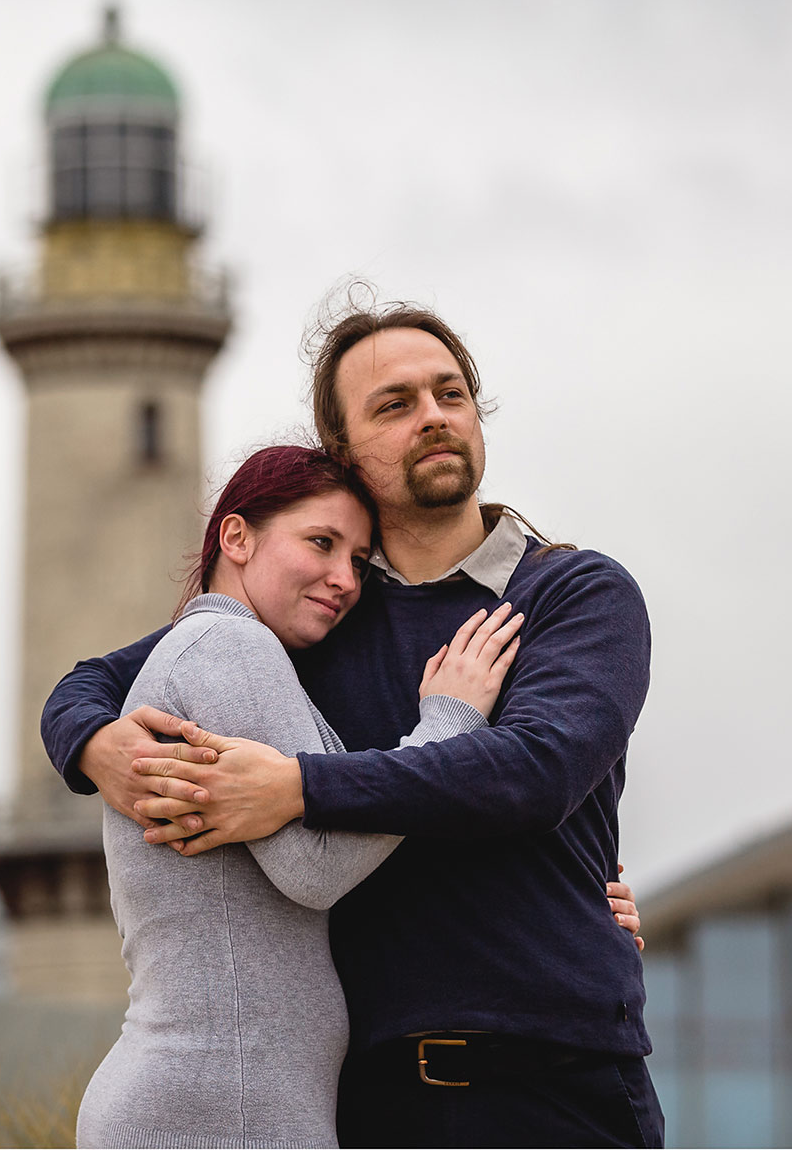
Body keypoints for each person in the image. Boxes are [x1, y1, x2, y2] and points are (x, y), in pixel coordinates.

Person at [45, 297, 662, 1148]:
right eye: (395, 404)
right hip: (366, 1101)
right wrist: (95, 744)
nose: (434, 417)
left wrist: (298, 788)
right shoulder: (319, 613)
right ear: (343, 455)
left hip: (557, 1084)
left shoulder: (574, 593)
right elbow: (101, 677)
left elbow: (536, 771)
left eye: (451, 394)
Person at [76, 444, 526, 1147]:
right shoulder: (231, 649)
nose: (344, 577)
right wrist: (446, 723)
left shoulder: (233, 650)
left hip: (231, 1091)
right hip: (219, 1099)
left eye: (358, 557)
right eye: (321, 542)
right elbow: (316, 867)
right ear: (237, 535)